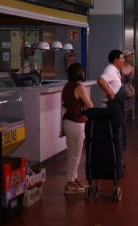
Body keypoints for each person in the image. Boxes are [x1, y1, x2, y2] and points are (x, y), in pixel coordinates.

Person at [62, 62, 93, 194]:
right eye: (82, 71)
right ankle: (70, 183)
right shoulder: (79, 87)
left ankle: (73, 179)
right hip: (76, 123)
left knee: (72, 153)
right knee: (76, 154)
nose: (84, 73)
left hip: (68, 122)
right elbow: (90, 105)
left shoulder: (67, 86)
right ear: (78, 73)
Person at [97, 49, 127, 150]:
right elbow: (101, 81)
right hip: (110, 107)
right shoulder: (110, 70)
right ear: (115, 60)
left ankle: (117, 158)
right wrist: (110, 93)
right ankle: (113, 158)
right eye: (122, 58)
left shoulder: (116, 71)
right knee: (111, 134)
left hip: (116, 108)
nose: (123, 60)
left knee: (117, 133)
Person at [121, 50, 135, 123]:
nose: (131, 58)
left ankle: (124, 124)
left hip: (128, 91)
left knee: (126, 111)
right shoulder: (120, 67)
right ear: (124, 57)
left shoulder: (132, 68)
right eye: (129, 56)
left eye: (131, 56)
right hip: (120, 90)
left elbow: (131, 80)